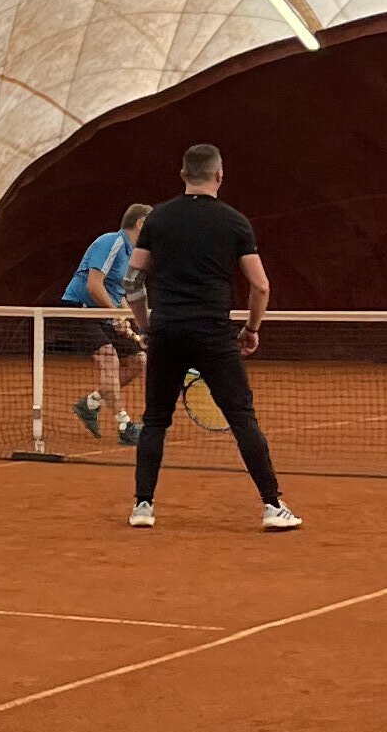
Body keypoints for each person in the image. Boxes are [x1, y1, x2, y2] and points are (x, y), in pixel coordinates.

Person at [126, 142, 299, 531]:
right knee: (241, 418)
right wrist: (251, 329)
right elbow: (261, 286)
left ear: (183, 175)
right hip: (214, 335)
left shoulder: (157, 219)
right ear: (219, 176)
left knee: (154, 421)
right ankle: (272, 506)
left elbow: (132, 281)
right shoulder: (235, 222)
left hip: (167, 332)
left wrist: (146, 326)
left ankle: (142, 506)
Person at [61, 202, 149, 444]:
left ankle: (90, 404)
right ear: (140, 223)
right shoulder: (112, 242)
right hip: (78, 309)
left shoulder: (133, 256)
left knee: (139, 360)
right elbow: (94, 285)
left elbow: (119, 293)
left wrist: (124, 317)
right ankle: (125, 426)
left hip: (102, 312)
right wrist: (115, 315)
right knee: (109, 358)